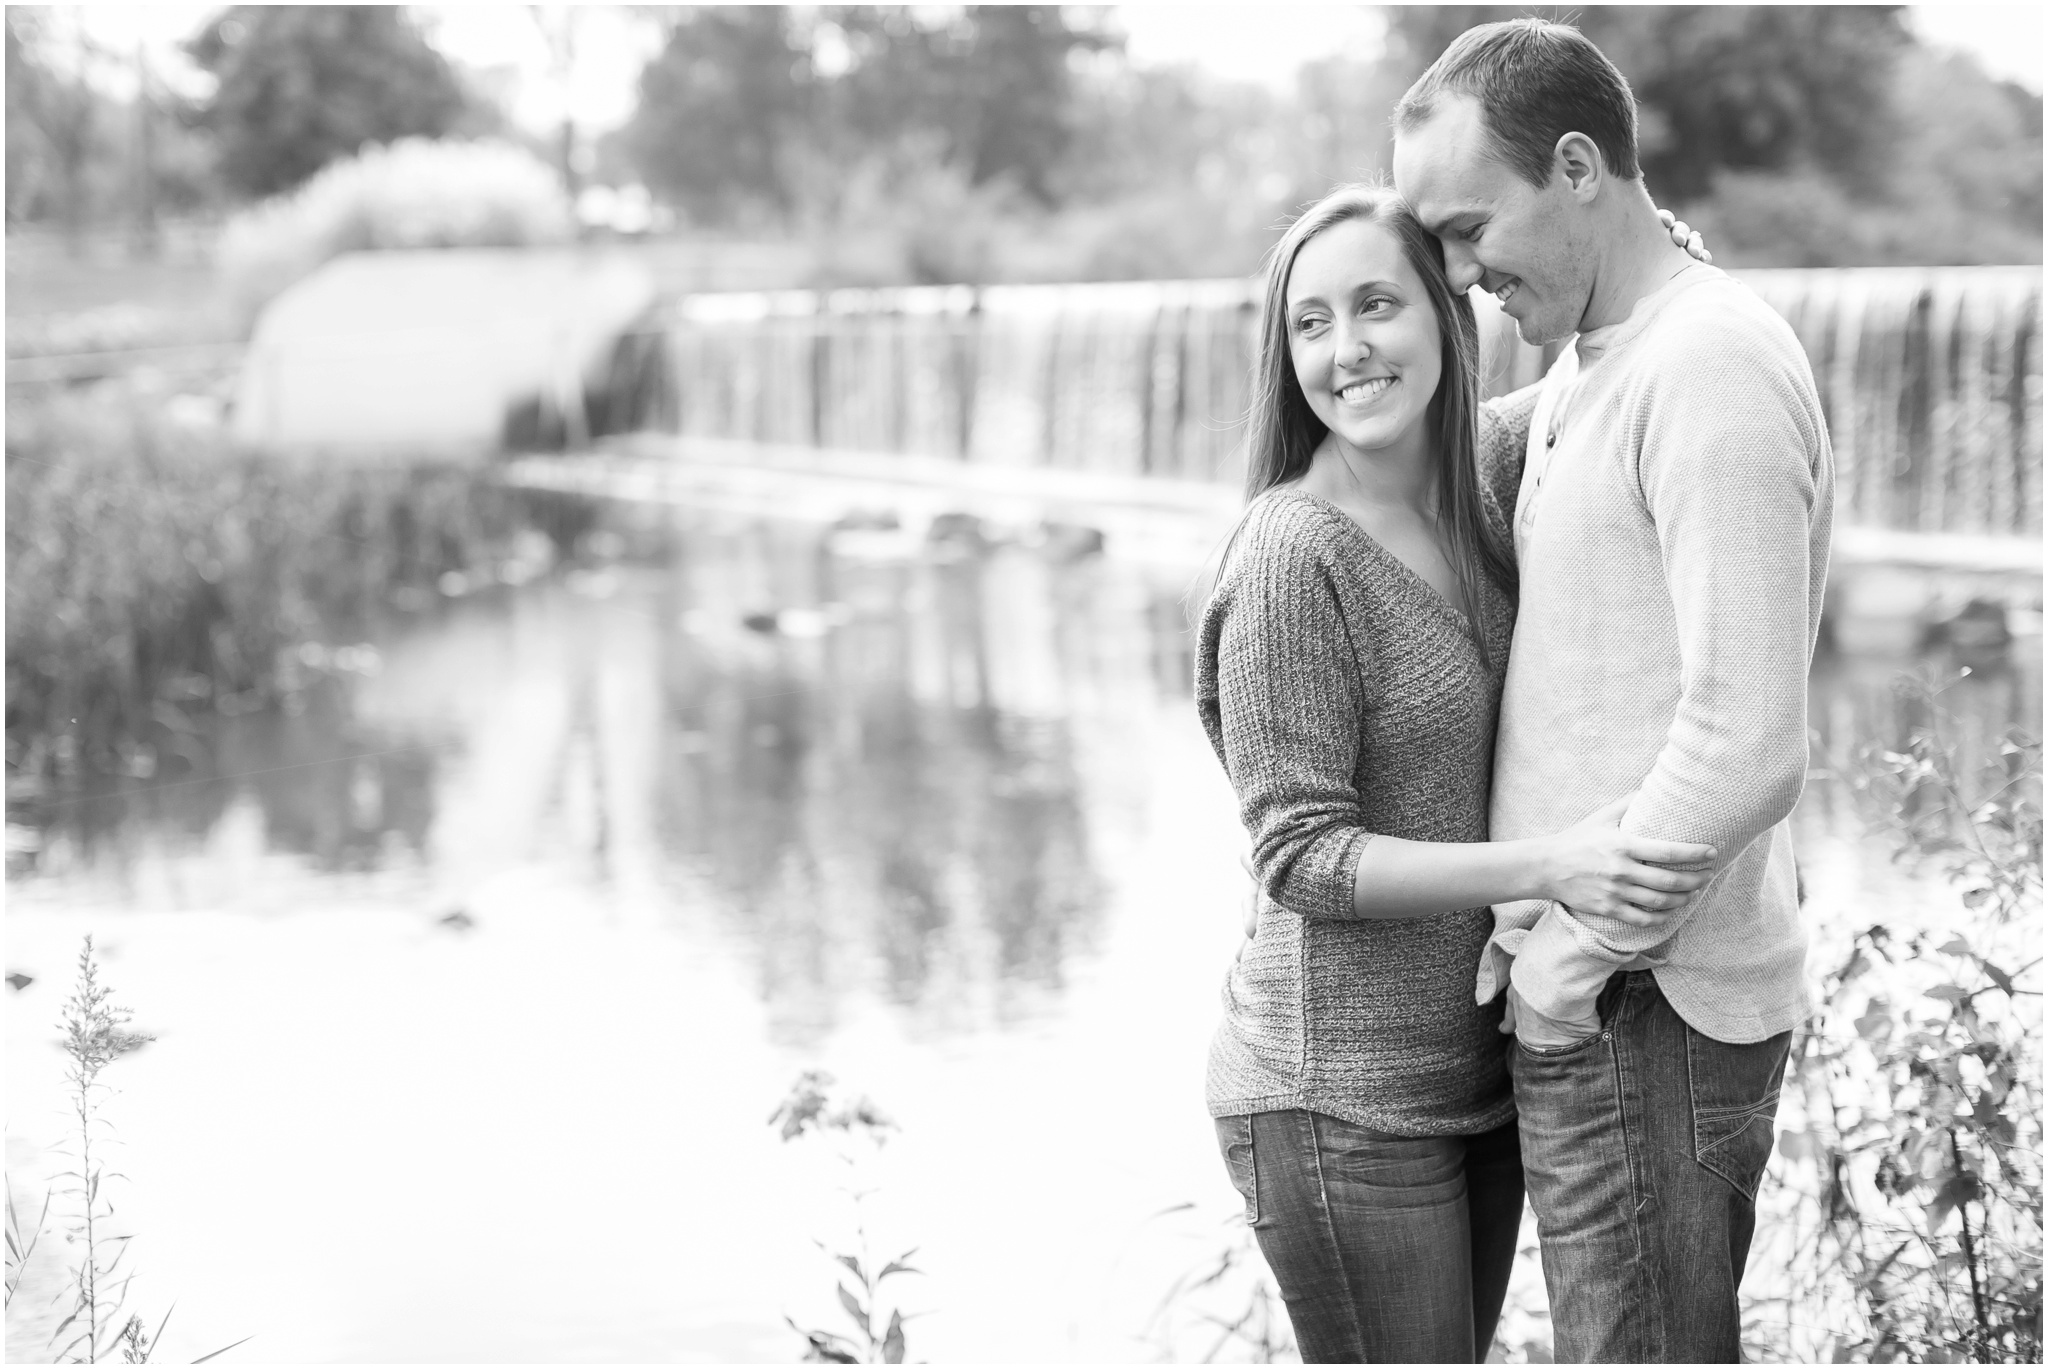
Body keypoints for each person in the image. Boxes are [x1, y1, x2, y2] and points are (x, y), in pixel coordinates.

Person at [1195, 182, 1719, 1364]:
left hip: (1471, 1079)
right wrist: (1554, 866)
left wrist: (1654, 239)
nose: (1348, 350)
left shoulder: (1487, 467)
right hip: (1334, 1101)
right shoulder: (1291, 556)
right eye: (1310, 323)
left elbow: (1630, 345)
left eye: (1376, 303)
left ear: (1445, 309)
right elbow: (1299, 856)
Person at [1390, 19, 1835, 1363]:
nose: (1464, 281)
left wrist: (1569, 970)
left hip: (1649, 1005)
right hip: (1614, 1004)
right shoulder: (1609, 351)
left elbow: (1748, 736)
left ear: (1578, 166)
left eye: (1471, 231)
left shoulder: (1708, 364)